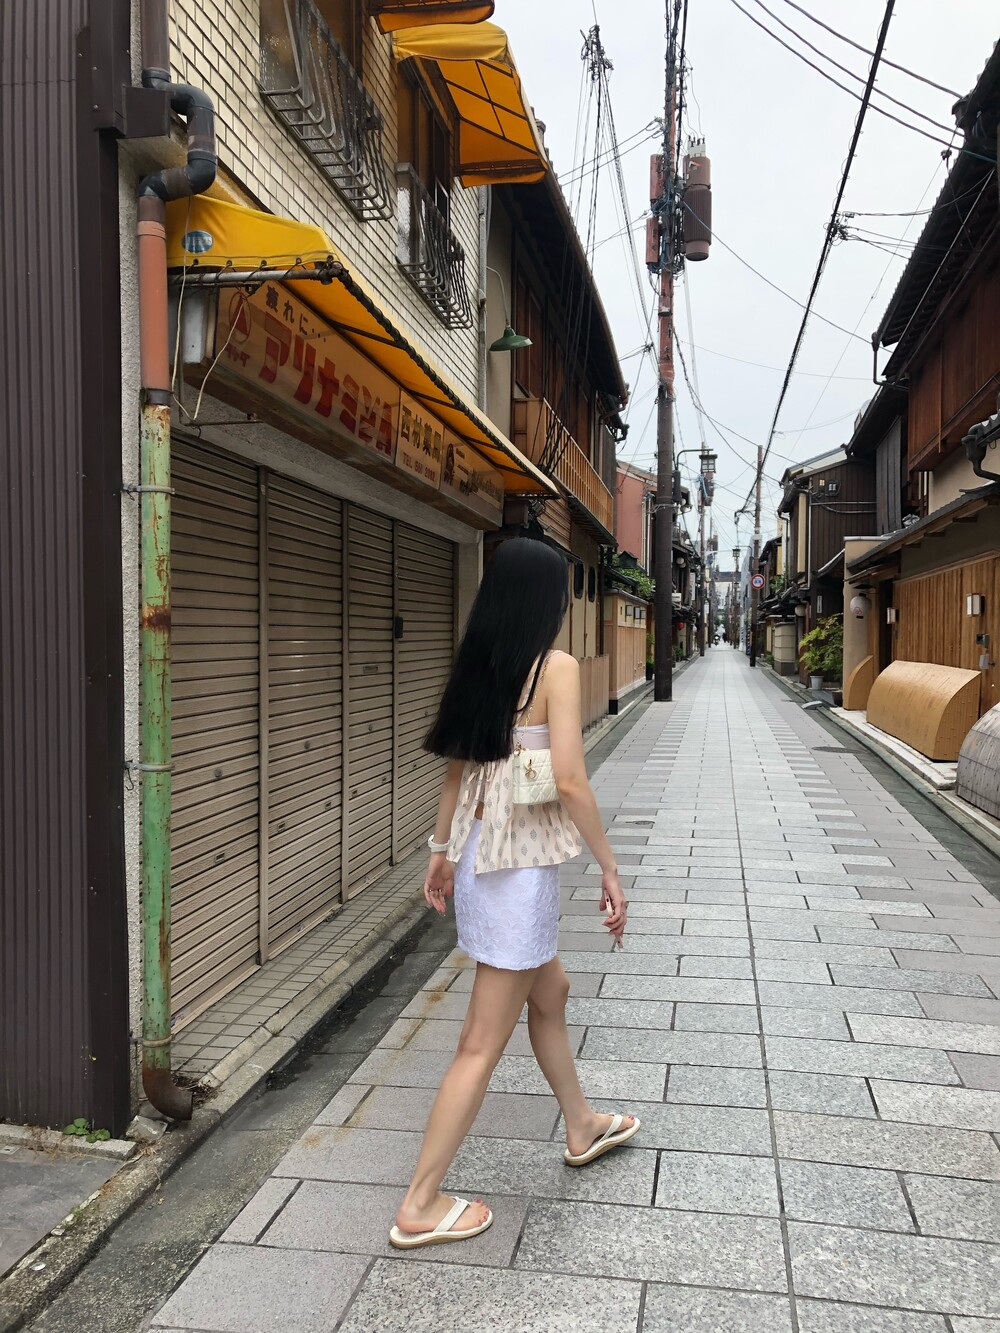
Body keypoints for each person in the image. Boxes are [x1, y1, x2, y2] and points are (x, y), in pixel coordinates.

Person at [389, 538, 638, 1250]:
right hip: (518, 870)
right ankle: (420, 1201)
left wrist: (441, 853)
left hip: (479, 857)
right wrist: (610, 867)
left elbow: (456, 770)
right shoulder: (555, 667)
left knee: (549, 991)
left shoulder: (482, 659)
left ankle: (580, 1123)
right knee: (480, 1042)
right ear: (545, 601)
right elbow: (571, 779)